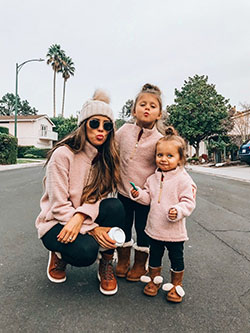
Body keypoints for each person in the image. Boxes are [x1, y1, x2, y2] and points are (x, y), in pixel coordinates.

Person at [35, 90, 125, 296]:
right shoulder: (63, 155)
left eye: (107, 125)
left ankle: (106, 262)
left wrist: (81, 217)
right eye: (95, 123)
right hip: (55, 222)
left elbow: (98, 198)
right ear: (84, 125)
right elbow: (58, 206)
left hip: (81, 218)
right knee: (85, 252)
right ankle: (58, 255)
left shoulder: (105, 158)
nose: (101, 130)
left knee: (115, 207)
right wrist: (93, 229)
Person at [130, 127, 197, 303]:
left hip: (174, 232)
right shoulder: (152, 178)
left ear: (180, 159)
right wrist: (138, 194)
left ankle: (176, 285)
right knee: (154, 256)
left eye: (170, 156)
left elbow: (189, 202)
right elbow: (147, 198)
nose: (164, 159)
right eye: (160, 155)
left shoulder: (183, 179)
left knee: (176, 258)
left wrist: (179, 210)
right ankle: (154, 280)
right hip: (154, 229)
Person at [115, 83, 163, 281]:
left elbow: (166, 166)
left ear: (159, 114)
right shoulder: (124, 131)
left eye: (153, 106)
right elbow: (111, 151)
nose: (147, 108)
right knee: (124, 225)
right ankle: (123, 260)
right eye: (143, 104)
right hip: (123, 191)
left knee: (143, 229)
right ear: (134, 110)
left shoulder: (160, 139)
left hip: (145, 196)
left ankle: (140, 263)